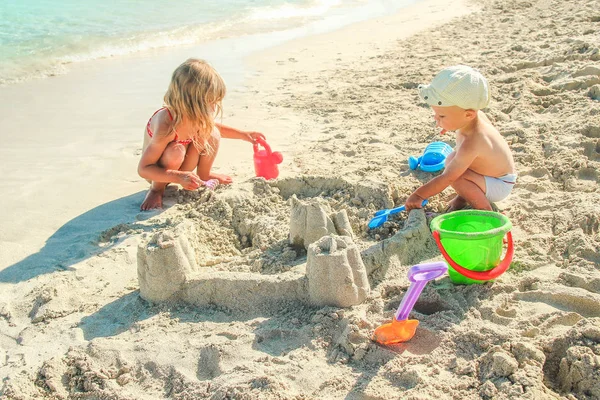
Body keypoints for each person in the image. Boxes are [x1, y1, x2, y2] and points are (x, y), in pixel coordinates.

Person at [138, 58, 265, 210]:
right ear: (192, 102)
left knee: (212, 132)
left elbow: (215, 127)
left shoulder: (193, 115)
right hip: (158, 173)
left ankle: (204, 174)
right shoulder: (166, 125)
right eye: (211, 101)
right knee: (176, 150)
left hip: (182, 166)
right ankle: (157, 190)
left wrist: (244, 135)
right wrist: (178, 177)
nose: (214, 106)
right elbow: (144, 168)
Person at [405, 65, 516, 212]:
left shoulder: (473, 141)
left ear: (468, 115)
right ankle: (465, 197)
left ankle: (485, 210)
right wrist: (450, 123)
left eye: (442, 116)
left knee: (456, 175)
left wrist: (419, 195)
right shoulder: (472, 120)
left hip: (499, 184)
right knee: (452, 159)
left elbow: (448, 178)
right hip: (488, 174)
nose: (436, 119)